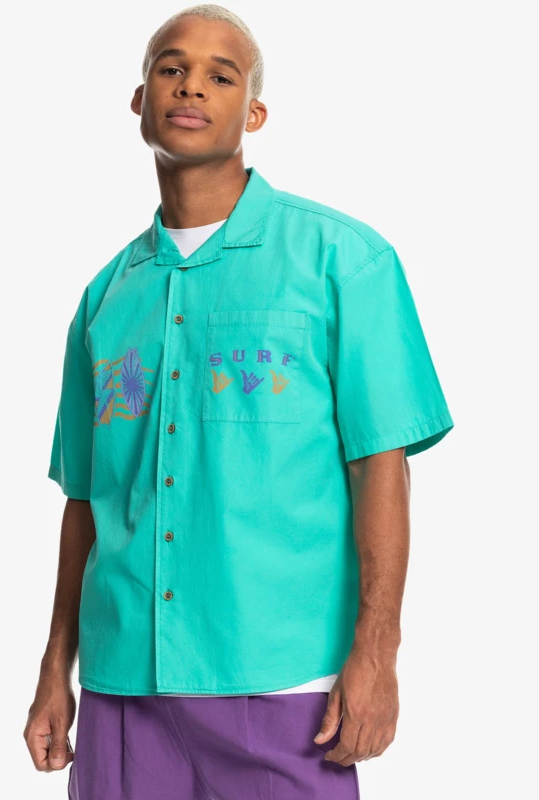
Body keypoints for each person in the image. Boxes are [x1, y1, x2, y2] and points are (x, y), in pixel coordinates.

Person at [23, 4, 454, 798]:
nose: (192, 86)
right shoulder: (105, 299)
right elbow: (85, 501)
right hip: (122, 689)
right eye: (171, 68)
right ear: (140, 100)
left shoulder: (342, 261)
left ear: (253, 113)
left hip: (283, 687)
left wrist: (378, 651)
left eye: (222, 76)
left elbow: (380, 465)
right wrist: (58, 668)